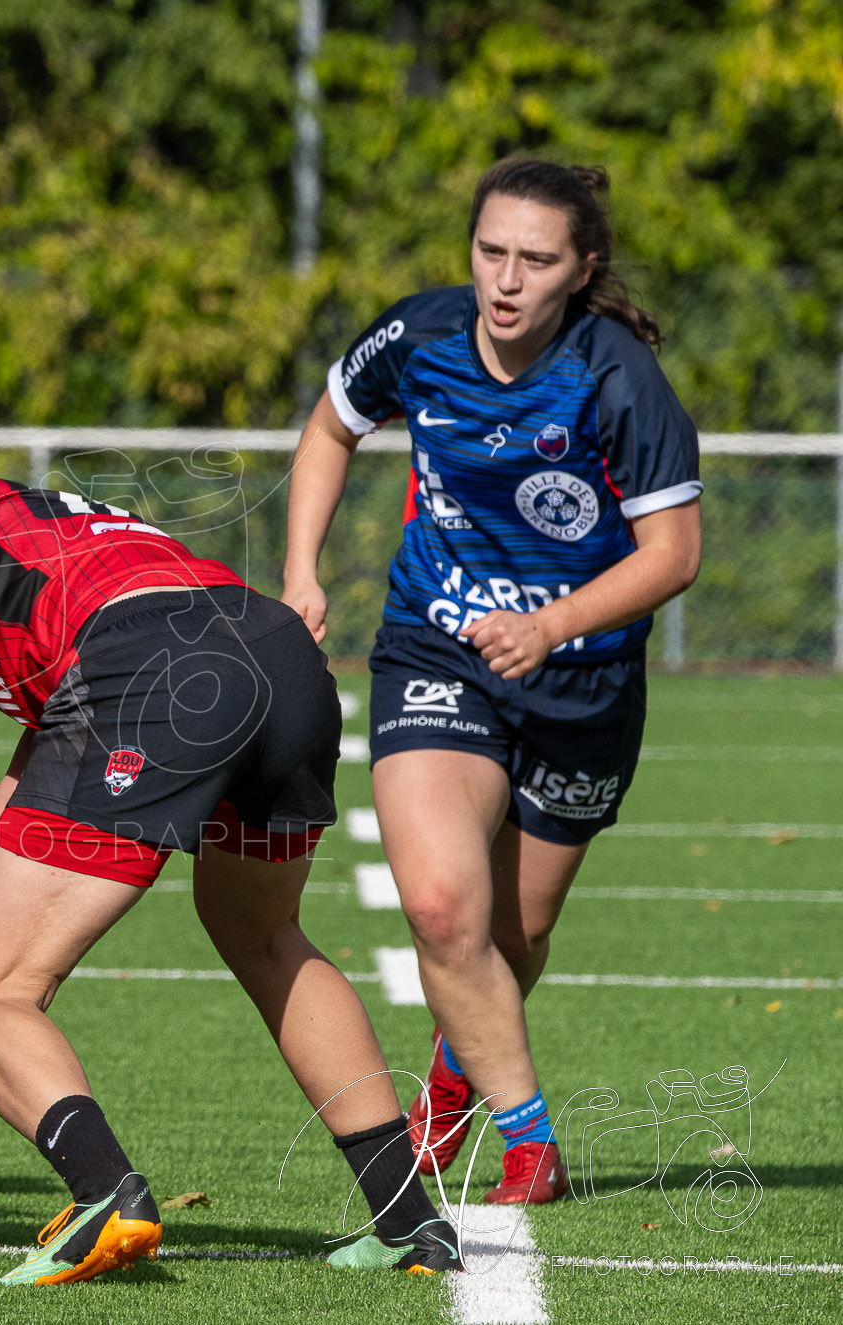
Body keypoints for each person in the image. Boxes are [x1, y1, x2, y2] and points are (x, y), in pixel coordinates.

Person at [0, 479, 461, 1285]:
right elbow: (19, 821)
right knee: (268, 936)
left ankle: (107, 1193)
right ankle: (409, 1220)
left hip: (154, 669)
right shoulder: (47, 545)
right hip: (279, 658)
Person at [282, 159, 703, 1205]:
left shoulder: (613, 378)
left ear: (580, 270)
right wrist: (297, 572)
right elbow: (331, 427)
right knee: (436, 907)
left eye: (535, 260)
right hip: (435, 646)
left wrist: (552, 625)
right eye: (490, 252)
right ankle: (528, 1144)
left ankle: (455, 1067)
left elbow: (671, 554)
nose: (505, 280)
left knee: (510, 938)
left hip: (583, 686)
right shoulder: (418, 336)